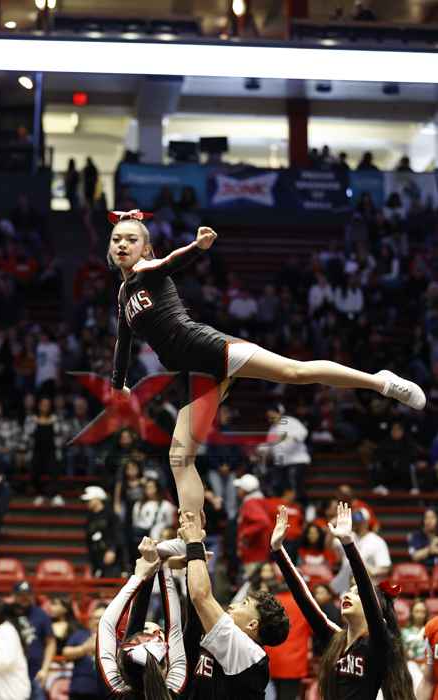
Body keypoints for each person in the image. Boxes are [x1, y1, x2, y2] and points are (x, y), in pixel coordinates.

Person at [86, 210, 425, 526]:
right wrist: (117, 385)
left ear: (146, 248)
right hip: (192, 374)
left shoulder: (148, 269)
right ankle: (193, 535)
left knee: (295, 372)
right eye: (117, 239)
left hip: (208, 349)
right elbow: (123, 340)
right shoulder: (123, 293)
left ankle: (380, 382)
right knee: (179, 455)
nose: (122, 245)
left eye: (131, 239)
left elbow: (171, 262)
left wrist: (197, 247)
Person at [271, 502, 416, 699]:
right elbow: (304, 599)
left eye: (356, 594)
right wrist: (278, 550)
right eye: (349, 591)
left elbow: (367, 590)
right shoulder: (335, 639)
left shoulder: (378, 640)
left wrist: (349, 544)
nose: (347, 595)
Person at [177, 511, 289, 698]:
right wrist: (194, 552)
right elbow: (197, 607)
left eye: (244, 603)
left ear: (252, 625)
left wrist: (194, 542)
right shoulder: (230, 643)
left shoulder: (247, 651)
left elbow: (201, 596)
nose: (232, 606)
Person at [97, 537, 188, 699]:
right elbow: (174, 627)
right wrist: (159, 564)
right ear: (163, 667)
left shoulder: (118, 693)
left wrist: (143, 574)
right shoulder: (173, 691)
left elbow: (106, 624)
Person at [12, 580, 56, 700]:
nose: (24, 598)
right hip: (12, 675)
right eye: (21, 595)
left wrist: (45, 669)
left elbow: (51, 643)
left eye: (27, 594)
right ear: (14, 596)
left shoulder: (41, 614)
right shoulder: (7, 614)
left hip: (35, 674)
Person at [63, 603, 105, 700]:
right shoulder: (80, 634)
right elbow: (66, 653)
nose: (98, 621)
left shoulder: (114, 638)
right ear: (90, 620)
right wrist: (84, 648)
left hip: (104, 691)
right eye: (96, 618)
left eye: (101, 618)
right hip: (80, 690)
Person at [233, 473, 272, 575]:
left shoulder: (250, 503)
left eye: (239, 488)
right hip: (260, 552)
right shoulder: (260, 501)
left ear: (245, 490)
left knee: (253, 582)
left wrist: (244, 534)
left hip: (254, 554)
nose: (237, 490)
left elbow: (263, 522)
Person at [81, 485, 125, 577]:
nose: (87, 503)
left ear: (97, 499)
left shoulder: (111, 515)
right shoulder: (89, 518)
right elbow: (88, 538)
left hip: (111, 558)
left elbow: (117, 534)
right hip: (96, 557)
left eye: (89, 500)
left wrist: (112, 550)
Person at [131, 478, 177, 551]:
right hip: (141, 537)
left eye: (151, 487)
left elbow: (170, 523)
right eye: (147, 488)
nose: (149, 490)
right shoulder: (138, 505)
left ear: (157, 488)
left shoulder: (166, 505)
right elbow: (135, 522)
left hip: (159, 537)